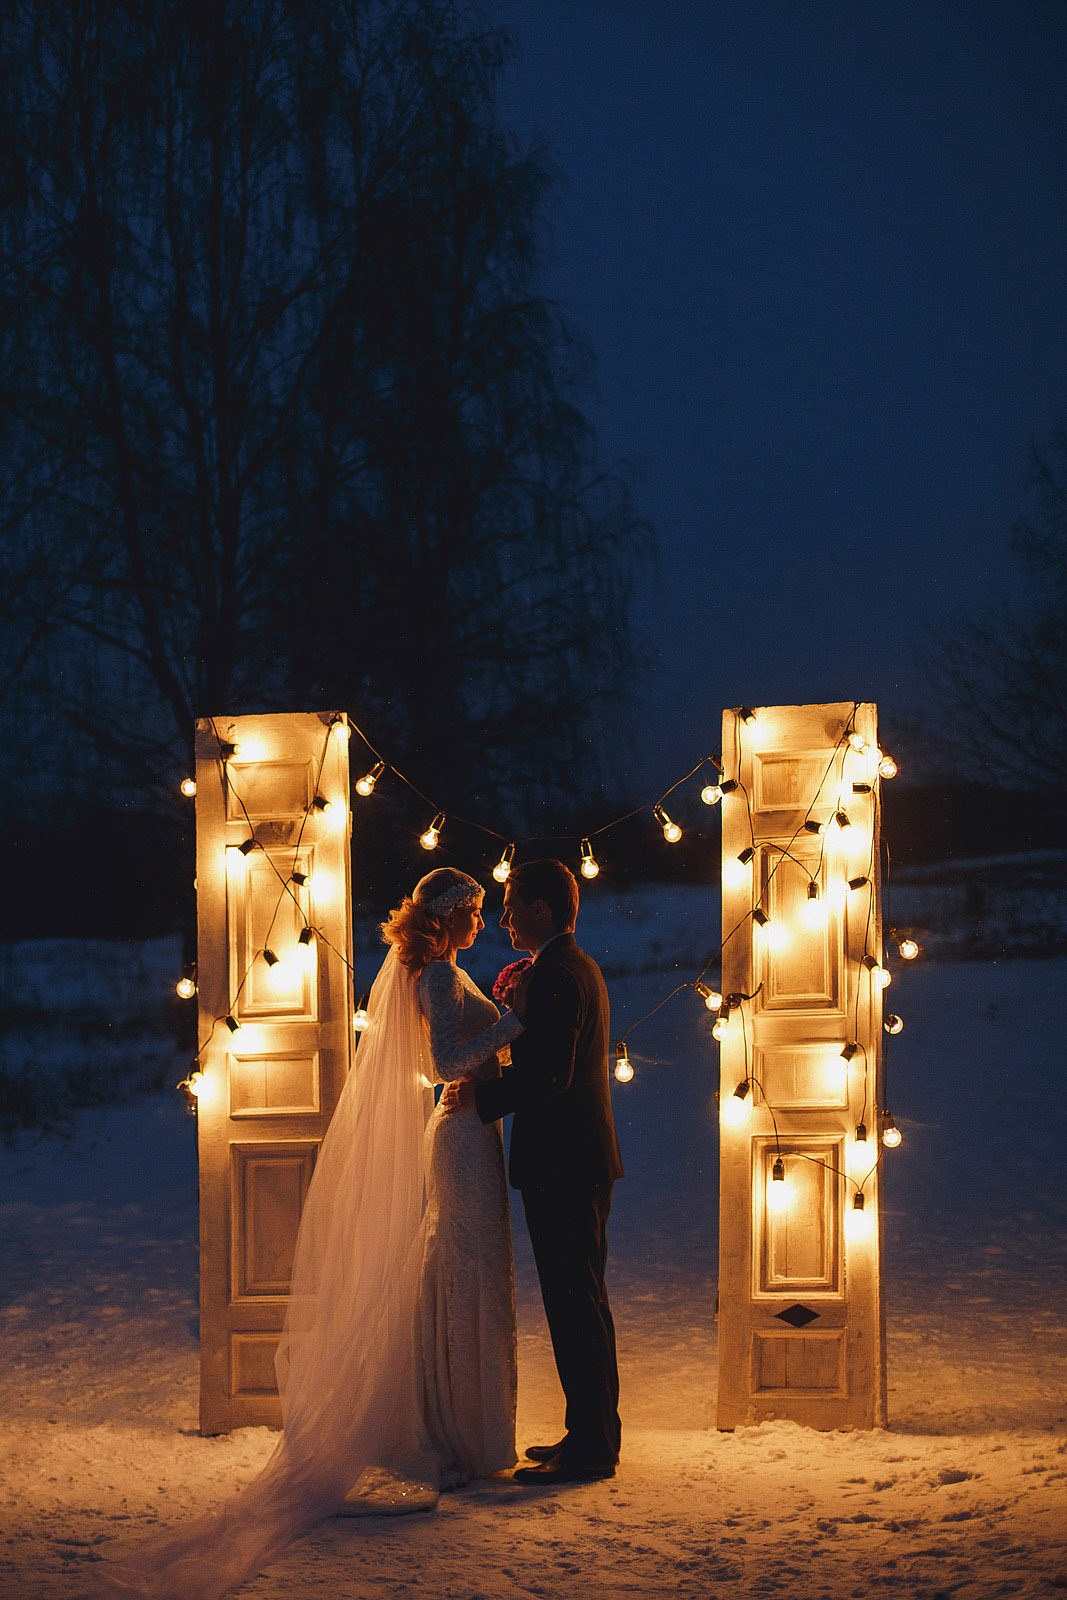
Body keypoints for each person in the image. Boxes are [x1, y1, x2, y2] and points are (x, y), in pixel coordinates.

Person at [97, 868, 522, 1600]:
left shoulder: (439, 974)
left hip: (466, 1128)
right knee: (463, 1265)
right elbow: (444, 1063)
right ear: (449, 916)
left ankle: (461, 1418)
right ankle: (460, 1427)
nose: (482, 922)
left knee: (460, 1265)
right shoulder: (438, 978)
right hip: (460, 1134)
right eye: (476, 911)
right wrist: (517, 1023)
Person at [442, 858, 624, 1482]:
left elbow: (551, 1074)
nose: (504, 920)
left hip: (564, 1162)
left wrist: (482, 1096)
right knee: (583, 1301)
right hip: (578, 1159)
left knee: (575, 1304)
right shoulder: (573, 966)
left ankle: (591, 1448)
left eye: (513, 906)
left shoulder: (556, 974)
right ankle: (592, 1433)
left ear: (541, 909)